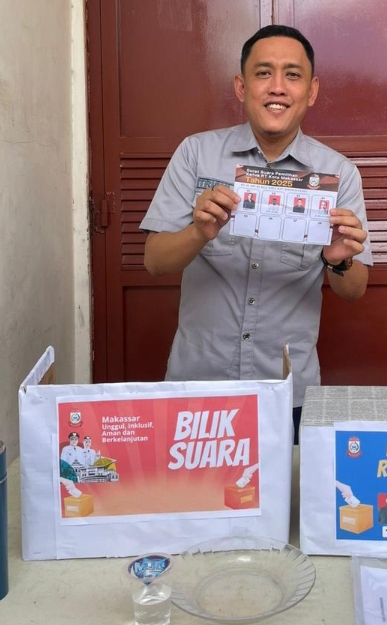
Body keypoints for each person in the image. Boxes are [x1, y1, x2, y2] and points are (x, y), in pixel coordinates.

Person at [140, 26, 372, 442]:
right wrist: (199, 233)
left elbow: (354, 290)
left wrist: (339, 262)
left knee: (289, 486)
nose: (277, 87)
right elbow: (154, 261)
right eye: (264, 73)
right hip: (198, 389)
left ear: (312, 91)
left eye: (292, 75)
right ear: (241, 87)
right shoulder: (195, 154)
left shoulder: (339, 174)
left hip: (288, 394)